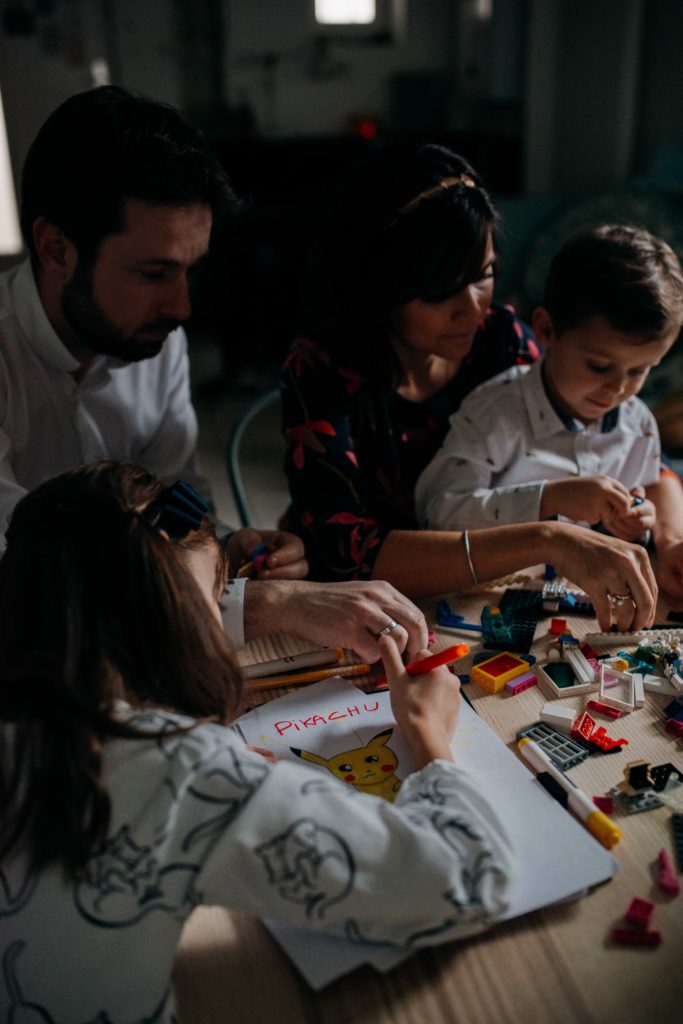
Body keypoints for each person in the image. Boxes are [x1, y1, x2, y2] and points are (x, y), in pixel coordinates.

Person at [0, 462, 515, 1021]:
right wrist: (428, 731)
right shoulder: (175, 771)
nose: (221, 620)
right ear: (169, 630)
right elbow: (464, 879)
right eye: (214, 603)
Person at [0, 86, 428, 660]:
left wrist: (227, 548)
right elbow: (28, 579)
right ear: (56, 249)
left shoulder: (153, 340)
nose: (182, 308)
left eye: (190, 271)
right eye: (155, 273)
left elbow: (175, 505)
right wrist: (257, 604)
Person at [279, 142, 660, 630]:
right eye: (441, 291)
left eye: (484, 275)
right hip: (365, 611)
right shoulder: (322, 371)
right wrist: (548, 537)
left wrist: (664, 536)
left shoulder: (500, 337)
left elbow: (622, 446)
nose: (473, 308)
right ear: (379, 284)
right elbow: (345, 556)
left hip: (477, 602)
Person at [416, 224, 683, 565]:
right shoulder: (494, 412)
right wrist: (548, 499)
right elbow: (438, 511)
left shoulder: (639, 424)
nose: (618, 389)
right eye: (600, 366)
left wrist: (638, 520)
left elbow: (649, 494)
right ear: (545, 330)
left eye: (638, 371)